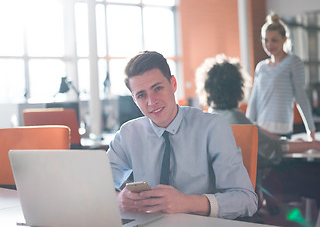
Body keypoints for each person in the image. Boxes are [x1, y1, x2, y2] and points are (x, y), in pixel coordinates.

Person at [107, 51, 258, 220]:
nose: (152, 101)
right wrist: (118, 198)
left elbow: (246, 200)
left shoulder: (213, 127)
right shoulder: (128, 134)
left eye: (157, 88)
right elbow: (98, 184)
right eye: (141, 95)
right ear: (134, 99)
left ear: (173, 84)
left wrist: (187, 202)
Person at [195, 54, 320, 207]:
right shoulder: (236, 119)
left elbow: (259, 133)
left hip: (219, 191)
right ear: (238, 87)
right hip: (253, 186)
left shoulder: (210, 116)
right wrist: (312, 145)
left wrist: (291, 141)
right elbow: (274, 148)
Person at [246, 13, 316, 141]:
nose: (269, 45)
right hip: (261, 129)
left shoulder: (293, 62)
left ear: (284, 39)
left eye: (274, 40)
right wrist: (247, 130)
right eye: (265, 40)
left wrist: (310, 131)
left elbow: (301, 97)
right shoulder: (261, 67)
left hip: (282, 129)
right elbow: (254, 101)